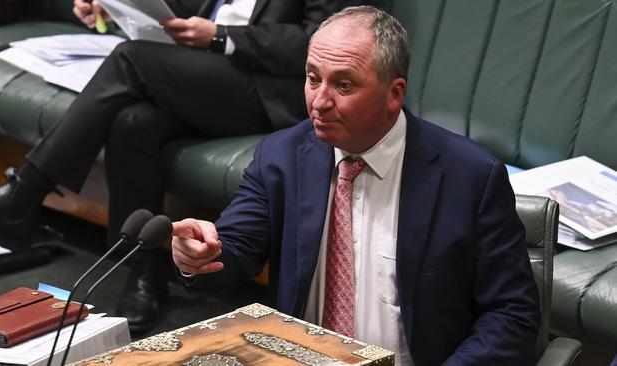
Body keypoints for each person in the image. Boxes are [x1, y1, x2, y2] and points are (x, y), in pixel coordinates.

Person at [0, 0, 371, 333]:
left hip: (271, 87)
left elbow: (314, 43)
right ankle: (142, 270)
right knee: (133, 122)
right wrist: (112, 9)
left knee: (130, 61)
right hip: (205, 71)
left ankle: (22, 198)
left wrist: (221, 38)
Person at [171, 6, 540, 365]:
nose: (320, 101)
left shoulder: (469, 175)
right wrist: (199, 257)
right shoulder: (282, 157)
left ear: (394, 94)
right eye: (313, 78)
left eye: (344, 85)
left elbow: (512, 313)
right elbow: (232, 252)